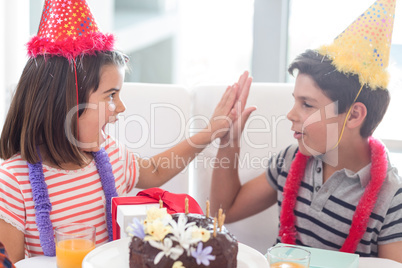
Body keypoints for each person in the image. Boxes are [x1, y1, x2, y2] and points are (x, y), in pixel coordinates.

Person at [0, 0, 252, 263]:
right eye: (110, 95)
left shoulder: (109, 152)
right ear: (66, 103)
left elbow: (154, 170)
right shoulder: (13, 183)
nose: (120, 107)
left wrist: (210, 132)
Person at [210, 0, 402, 263]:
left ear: (355, 114)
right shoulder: (290, 160)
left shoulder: (392, 197)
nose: (290, 114)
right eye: (295, 100)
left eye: (307, 104)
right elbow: (224, 211)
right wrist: (229, 141)